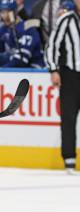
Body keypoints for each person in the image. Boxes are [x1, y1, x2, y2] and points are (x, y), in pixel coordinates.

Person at [45, 0, 80, 173]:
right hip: (71, 75)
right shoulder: (67, 19)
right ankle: (69, 159)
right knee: (68, 117)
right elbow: (52, 45)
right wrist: (53, 69)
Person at [0, 0, 45, 68]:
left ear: (14, 12)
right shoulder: (2, 30)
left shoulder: (28, 28)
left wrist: (2, 69)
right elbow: (0, 54)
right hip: (13, 66)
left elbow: (22, 59)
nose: (3, 16)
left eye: (6, 12)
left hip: (34, 68)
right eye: (2, 12)